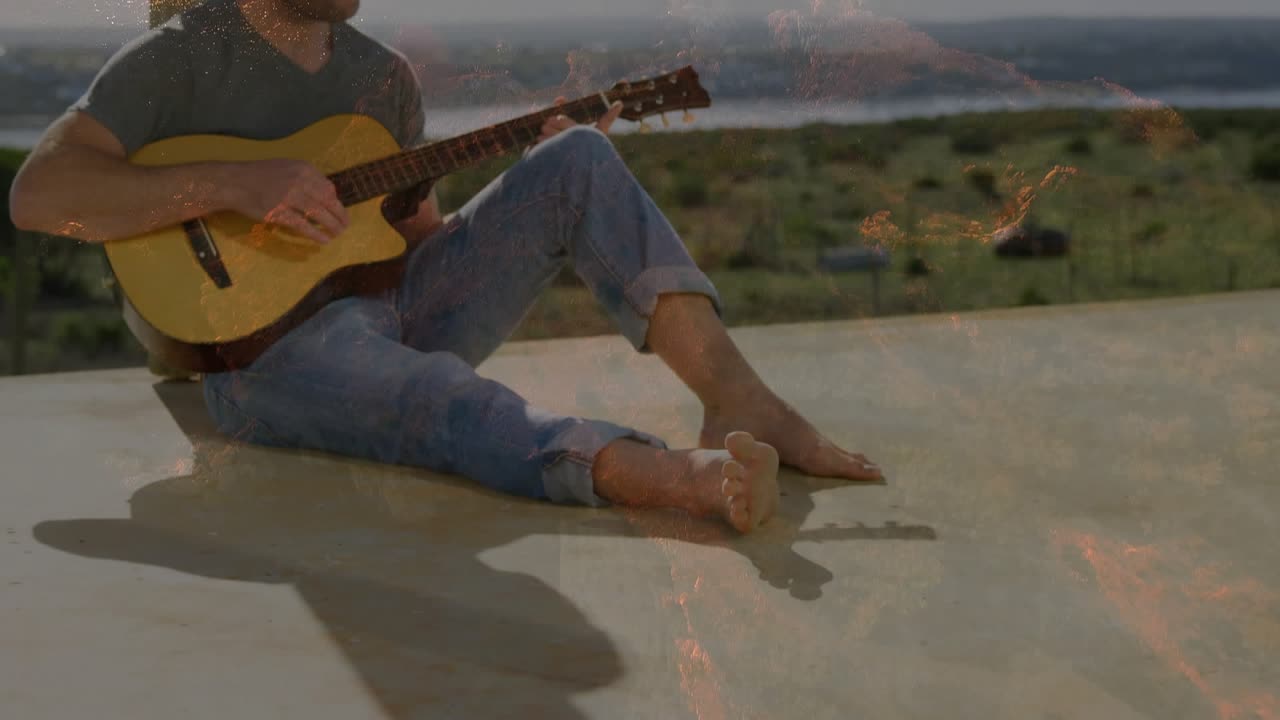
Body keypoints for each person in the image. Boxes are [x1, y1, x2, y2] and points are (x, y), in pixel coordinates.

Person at [8, 0, 883, 534]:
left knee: (575, 159)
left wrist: (530, 178)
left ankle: (738, 399)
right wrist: (236, 183)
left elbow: (405, 248)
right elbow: (40, 193)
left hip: (386, 316)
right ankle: (659, 475)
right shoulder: (181, 56)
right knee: (435, 394)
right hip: (261, 360)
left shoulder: (381, 79)